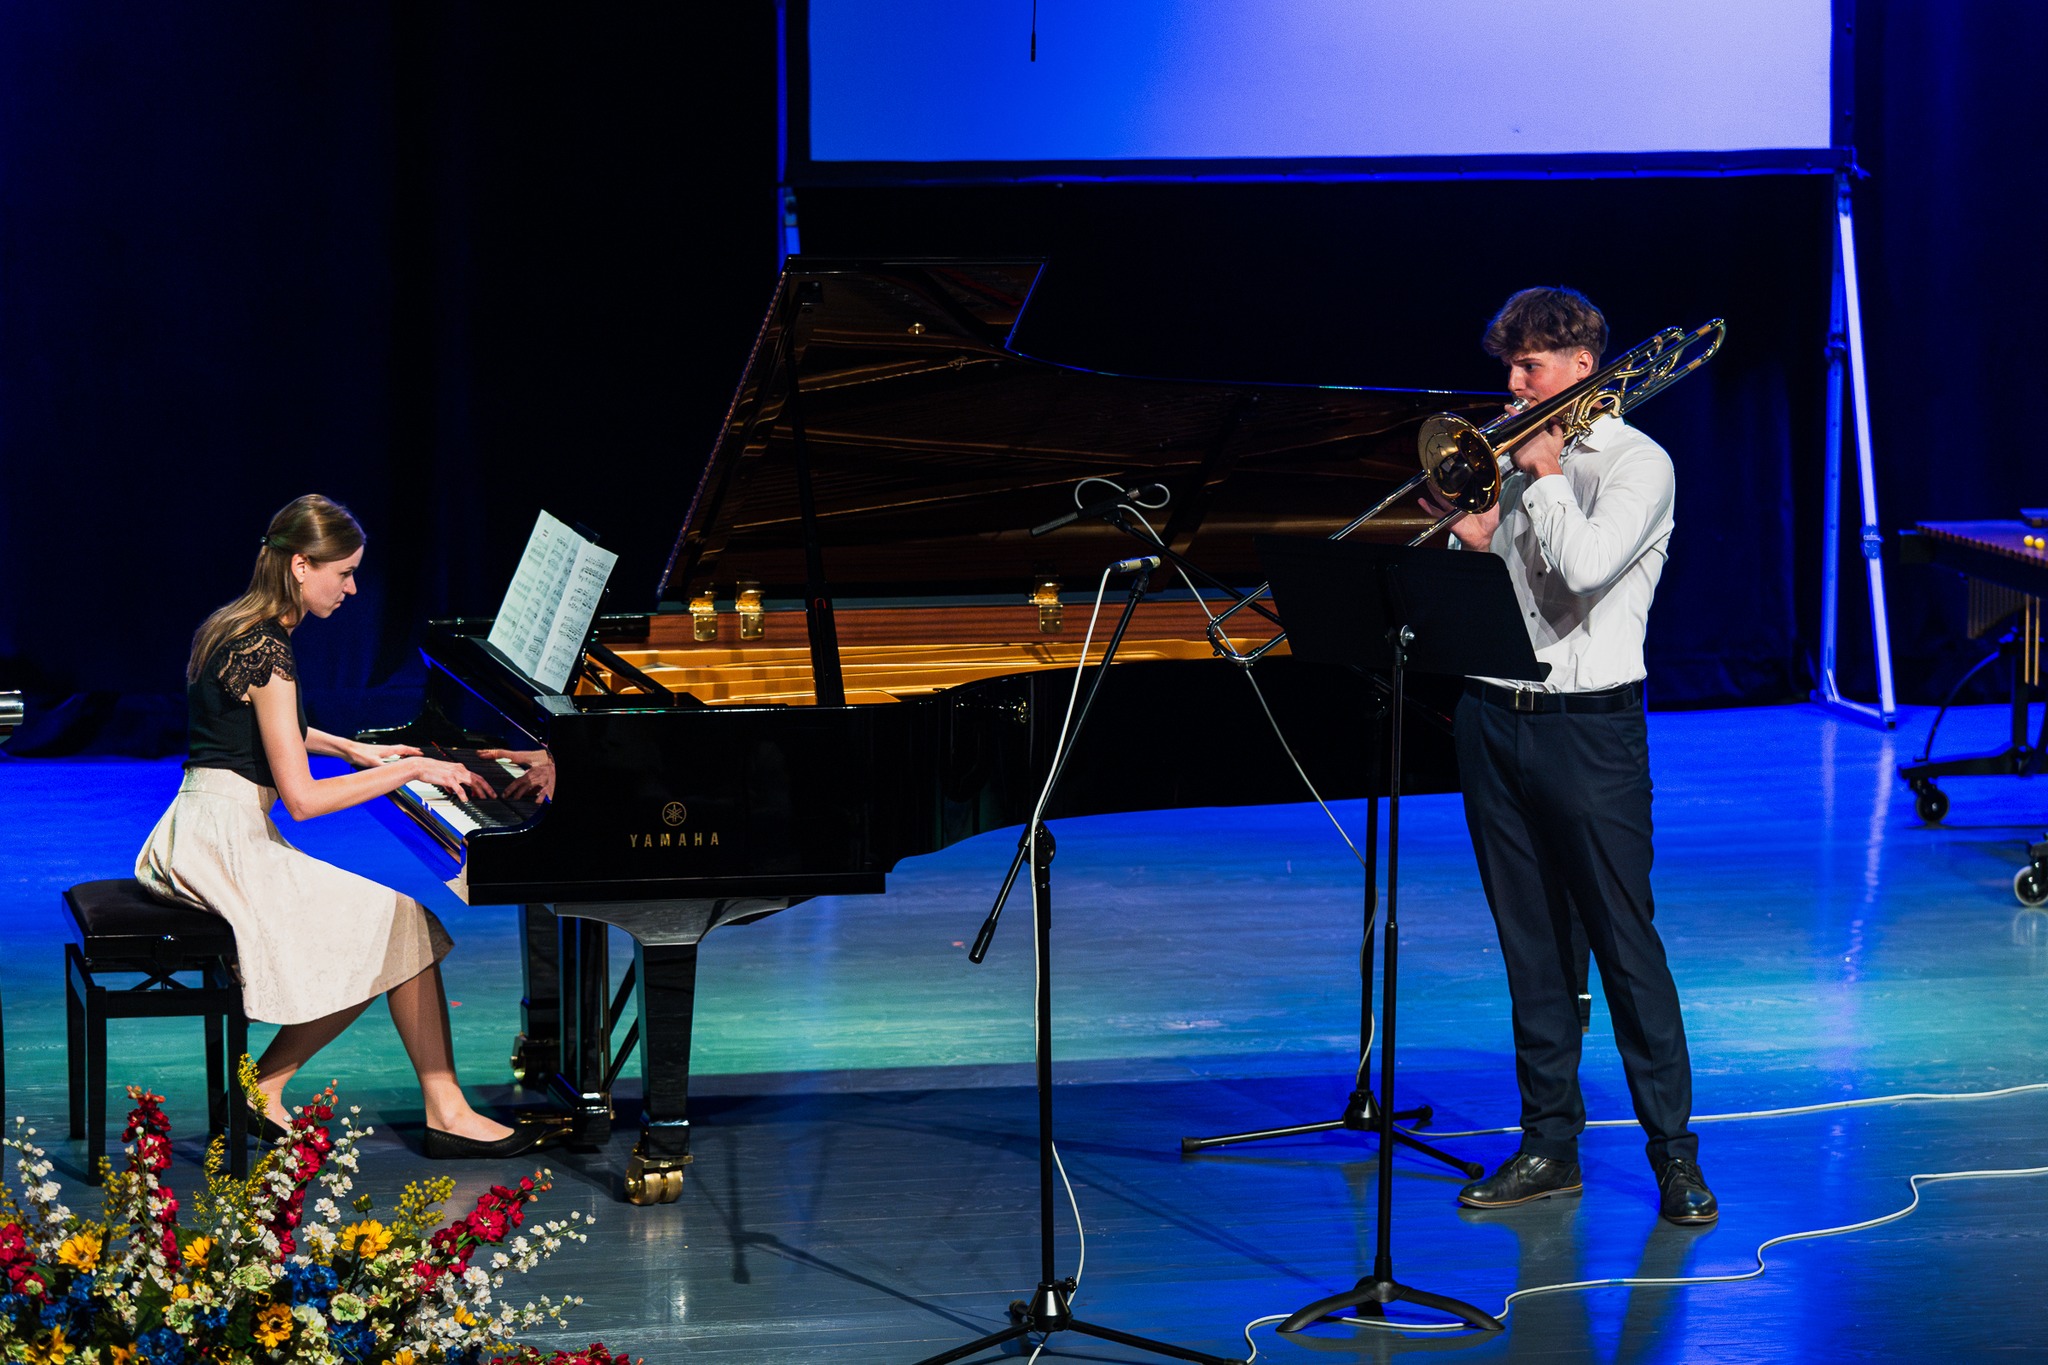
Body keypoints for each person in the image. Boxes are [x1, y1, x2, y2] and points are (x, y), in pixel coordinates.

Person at [1424, 287, 1715, 1225]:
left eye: (1530, 368)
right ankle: (1549, 1142)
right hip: (1494, 717)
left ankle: (1673, 1154)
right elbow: (1507, 599)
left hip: (1590, 731)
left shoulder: (1638, 463)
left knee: (1624, 945)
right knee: (1532, 945)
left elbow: (1586, 568)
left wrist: (1542, 475)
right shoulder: (1516, 467)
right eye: (1510, 368)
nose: (1512, 386)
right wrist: (1478, 543)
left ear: (1582, 368)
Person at [136, 494, 545, 1159]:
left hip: (197, 826)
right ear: (301, 565)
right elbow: (301, 800)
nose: (352, 588)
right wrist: (411, 769)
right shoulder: (269, 650)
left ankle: (267, 1087)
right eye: (345, 572)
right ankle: (435, 1109)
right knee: (399, 927)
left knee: (392, 929)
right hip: (228, 844)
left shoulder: (235, 625)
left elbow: (269, 727)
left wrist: (355, 749)